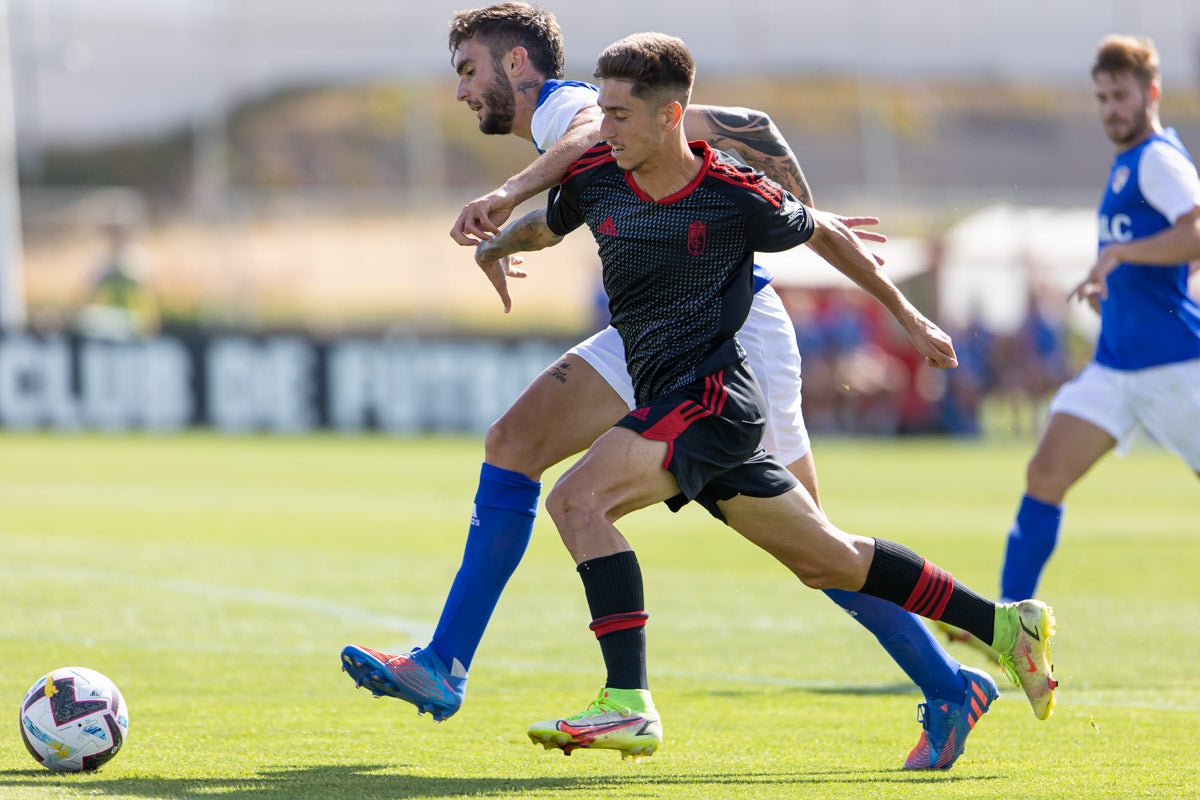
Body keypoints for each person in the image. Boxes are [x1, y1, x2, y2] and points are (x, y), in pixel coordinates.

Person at [344, 3, 993, 770]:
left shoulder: (569, 110)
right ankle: (445, 664)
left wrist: (508, 194)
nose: (459, 92)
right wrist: (501, 244)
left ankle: (953, 680)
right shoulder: (602, 119)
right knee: (513, 443)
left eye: (467, 71)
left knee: (815, 547)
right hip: (650, 329)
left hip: (732, 331)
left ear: (517, 67)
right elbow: (731, 128)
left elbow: (595, 142)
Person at [993, 34, 1200, 608]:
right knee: (1044, 475)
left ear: (1150, 93)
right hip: (1115, 366)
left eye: (1121, 96)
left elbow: (1195, 232)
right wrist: (1114, 282)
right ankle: (1011, 627)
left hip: (1176, 364)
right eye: (1102, 97)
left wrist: (1118, 257)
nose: (1111, 109)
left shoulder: (1158, 159)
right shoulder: (1125, 164)